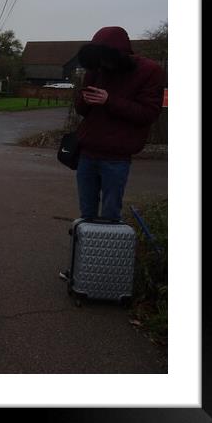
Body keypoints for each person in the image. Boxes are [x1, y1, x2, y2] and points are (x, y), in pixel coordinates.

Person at [59, 26, 166, 281]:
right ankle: (81, 269)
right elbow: (82, 110)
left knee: (110, 217)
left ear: (120, 54)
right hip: (88, 152)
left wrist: (110, 101)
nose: (103, 66)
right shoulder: (97, 69)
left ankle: (105, 274)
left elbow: (148, 114)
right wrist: (85, 98)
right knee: (86, 216)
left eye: (107, 60)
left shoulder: (150, 71)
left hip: (116, 156)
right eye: (98, 61)